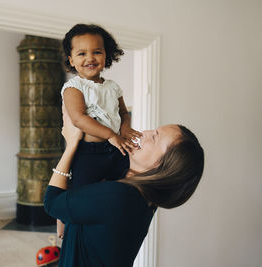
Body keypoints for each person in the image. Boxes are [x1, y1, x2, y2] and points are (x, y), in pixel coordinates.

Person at [44, 106, 204, 267]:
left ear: (163, 167)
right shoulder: (141, 193)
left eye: (155, 138)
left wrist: (71, 144)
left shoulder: (121, 196)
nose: (147, 132)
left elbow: (52, 201)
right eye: (154, 130)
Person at [57, 23, 142, 238]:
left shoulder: (113, 87)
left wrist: (124, 130)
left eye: (97, 52)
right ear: (71, 60)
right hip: (89, 154)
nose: (90, 58)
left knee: (121, 192)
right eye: (82, 53)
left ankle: (112, 226)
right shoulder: (74, 87)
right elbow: (79, 119)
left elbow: (124, 113)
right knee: (80, 195)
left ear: (107, 55)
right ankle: (67, 227)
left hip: (115, 149)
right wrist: (111, 135)